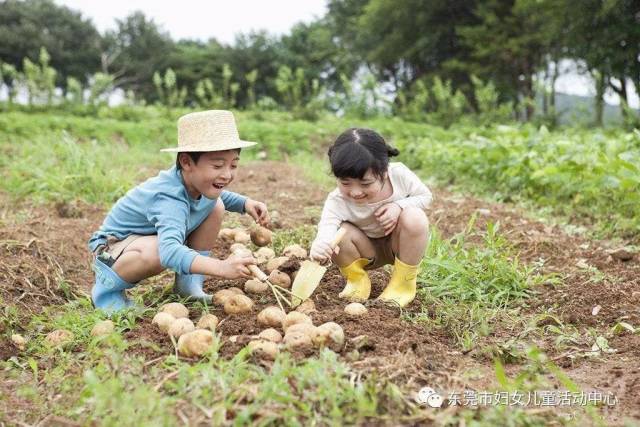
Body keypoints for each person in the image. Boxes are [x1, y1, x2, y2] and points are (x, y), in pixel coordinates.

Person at [88, 110, 267, 313]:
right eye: (218, 165)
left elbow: (217, 195)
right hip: (111, 251)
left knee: (215, 205)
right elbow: (169, 253)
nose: (227, 174)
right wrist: (222, 268)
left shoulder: (192, 182)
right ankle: (105, 294)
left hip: (144, 239)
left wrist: (245, 203)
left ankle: (188, 286)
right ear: (186, 162)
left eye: (233, 165)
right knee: (158, 251)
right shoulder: (169, 198)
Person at [309, 128, 432, 307]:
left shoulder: (399, 175)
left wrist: (398, 206)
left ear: (384, 173)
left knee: (414, 217)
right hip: (365, 250)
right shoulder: (337, 201)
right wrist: (320, 246)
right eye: (345, 183)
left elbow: (426, 197)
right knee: (338, 232)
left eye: (366, 183)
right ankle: (357, 280)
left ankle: (403, 284)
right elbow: (326, 228)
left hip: (398, 245)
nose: (355, 192)